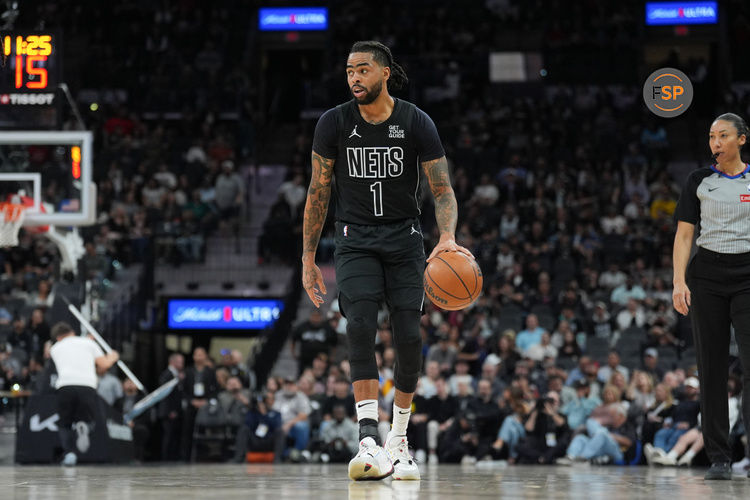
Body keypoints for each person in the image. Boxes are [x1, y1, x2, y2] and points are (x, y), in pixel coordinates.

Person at [301, 40, 471, 481]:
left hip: (405, 239)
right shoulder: (332, 123)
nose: (354, 78)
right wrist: (307, 256)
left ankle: (399, 440)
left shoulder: (416, 121)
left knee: (409, 338)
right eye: (349, 71)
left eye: (362, 70)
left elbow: (442, 188)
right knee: (358, 325)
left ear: (385, 73)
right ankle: (369, 440)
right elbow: (318, 192)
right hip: (354, 240)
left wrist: (448, 236)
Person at [672, 112, 750, 480]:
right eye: (711, 136)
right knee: (712, 368)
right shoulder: (699, 181)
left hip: (748, 274)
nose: (715, 142)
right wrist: (678, 281)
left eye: (723, 135)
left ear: (742, 140)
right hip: (707, 276)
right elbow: (685, 235)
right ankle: (720, 457)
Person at [49, 322, 119, 466]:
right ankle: (84, 425)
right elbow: (104, 364)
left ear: (58, 337)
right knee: (89, 420)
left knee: (65, 424)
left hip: (65, 385)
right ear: (72, 331)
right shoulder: (88, 343)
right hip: (87, 385)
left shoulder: (55, 348)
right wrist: (113, 356)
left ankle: (69, 454)